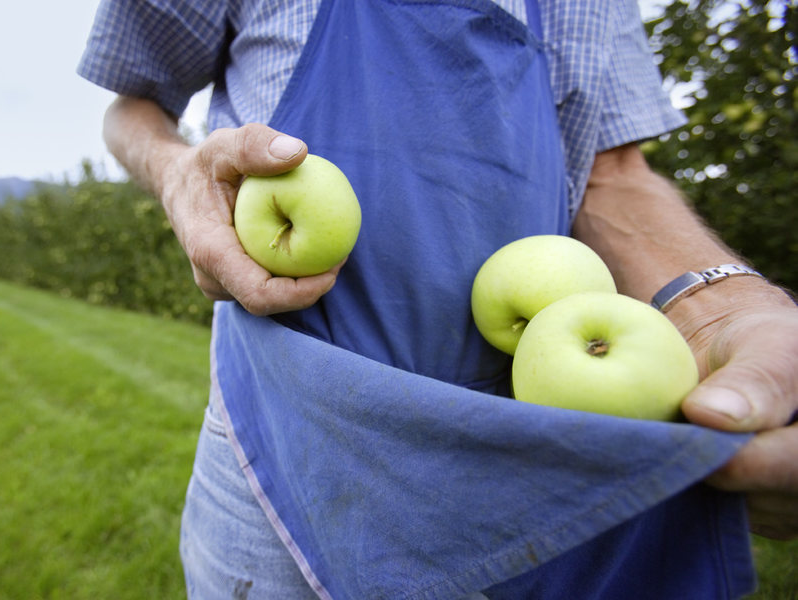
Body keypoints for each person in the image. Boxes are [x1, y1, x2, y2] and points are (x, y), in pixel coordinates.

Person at [79, 0, 798, 597]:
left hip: (519, 453)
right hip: (280, 448)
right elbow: (133, 105)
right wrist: (178, 177)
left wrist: (730, 308)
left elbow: (611, 173)